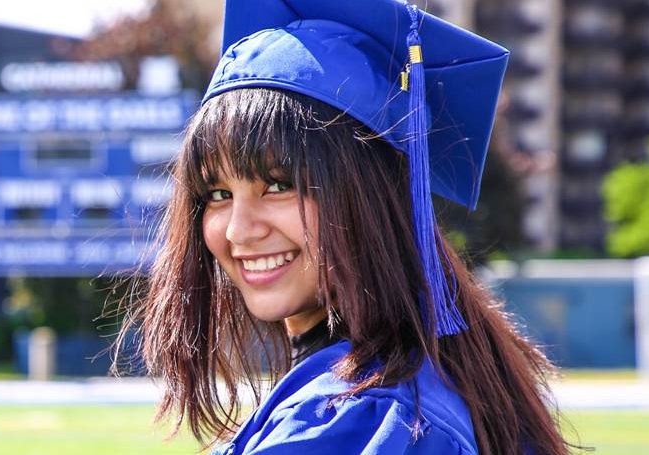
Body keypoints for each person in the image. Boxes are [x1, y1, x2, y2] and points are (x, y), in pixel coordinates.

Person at [116, 1, 574, 454]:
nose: (238, 230)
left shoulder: (357, 421)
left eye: (279, 184)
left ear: (372, 196)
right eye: (217, 194)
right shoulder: (433, 377)